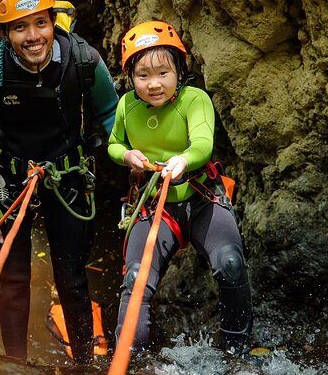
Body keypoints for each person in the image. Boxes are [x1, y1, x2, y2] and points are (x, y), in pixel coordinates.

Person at [0, 0, 118, 364]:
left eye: (41, 23)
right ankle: (16, 371)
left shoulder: (83, 60)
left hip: (67, 176)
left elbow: (111, 113)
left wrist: (131, 162)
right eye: (19, 28)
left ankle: (83, 367)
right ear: (4, 33)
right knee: (13, 281)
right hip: (10, 180)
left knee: (72, 278)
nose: (33, 36)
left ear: (52, 22)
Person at [107, 21, 253, 353]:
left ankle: (236, 352)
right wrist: (127, 154)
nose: (153, 84)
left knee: (230, 262)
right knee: (135, 279)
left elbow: (203, 143)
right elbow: (113, 144)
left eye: (163, 72)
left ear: (179, 70)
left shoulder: (194, 99)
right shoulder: (126, 106)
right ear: (131, 77)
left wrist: (184, 161)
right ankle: (130, 362)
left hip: (201, 199)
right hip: (156, 203)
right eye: (143, 76)